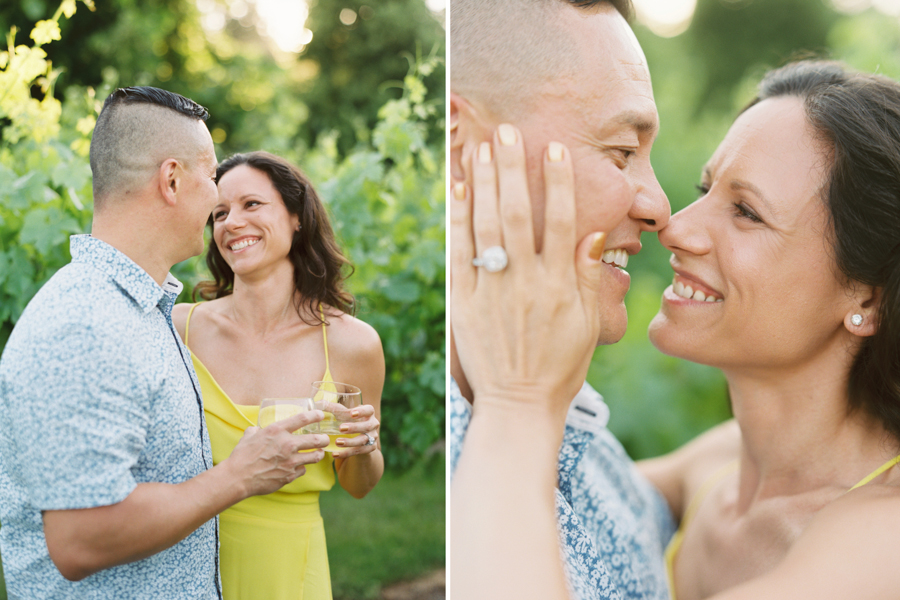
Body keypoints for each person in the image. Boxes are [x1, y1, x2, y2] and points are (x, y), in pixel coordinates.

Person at [454, 59, 900, 600]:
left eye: (746, 212)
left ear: (869, 297)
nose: (676, 226)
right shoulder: (719, 464)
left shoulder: (881, 543)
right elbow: (563, 514)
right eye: (704, 188)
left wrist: (518, 401)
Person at [0, 88, 328, 600]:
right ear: (172, 181)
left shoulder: (145, 312)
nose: (218, 197)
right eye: (212, 175)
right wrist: (237, 476)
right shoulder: (85, 325)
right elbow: (80, 538)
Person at [450, 1, 674, 598]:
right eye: (623, 151)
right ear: (460, 151)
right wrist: (519, 402)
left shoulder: (587, 434)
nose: (659, 208)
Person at [171, 151, 384, 600]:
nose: (232, 223)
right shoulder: (180, 328)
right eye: (220, 213)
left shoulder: (352, 343)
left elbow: (359, 486)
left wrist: (363, 446)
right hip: (185, 560)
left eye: (252, 205)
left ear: (295, 217)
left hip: (291, 571)